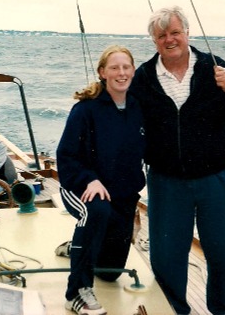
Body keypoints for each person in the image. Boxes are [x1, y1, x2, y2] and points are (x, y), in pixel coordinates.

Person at [129, 6, 225, 315]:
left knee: (221, 252)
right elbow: (126, 122)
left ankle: (222, 310)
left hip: (219, 178)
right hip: (166, 181)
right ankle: (175, 310)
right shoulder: (143, 77)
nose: (169, 39)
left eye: (175, 32)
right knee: (166, 255)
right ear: (153, 40)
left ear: (187, 33)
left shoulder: (214, 68)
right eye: (162, 35)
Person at [57, 45, 146, 315]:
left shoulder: (138, 108)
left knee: (110, 273)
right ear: (102, 73)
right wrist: (89, 180)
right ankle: (76, 293)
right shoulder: (86, 110)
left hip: (122, 193)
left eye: (126, 67)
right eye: (114, 68)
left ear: (133, 70)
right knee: (96, 210)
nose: (121, 73)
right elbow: (66, 155)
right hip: (81, 186)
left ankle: (77, 247)